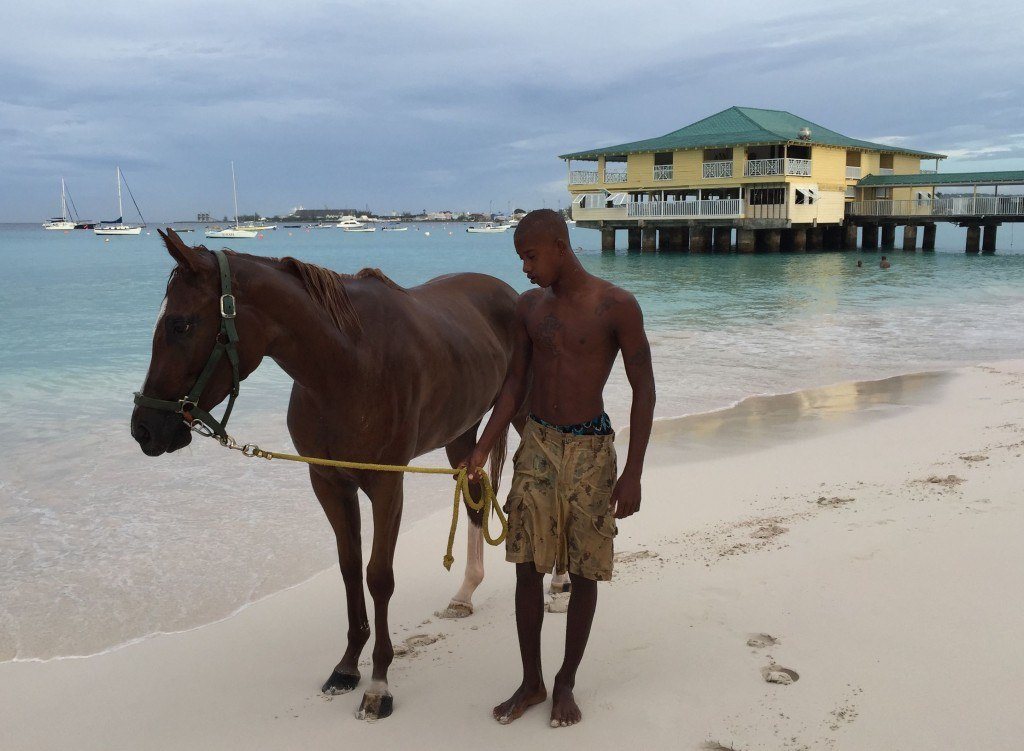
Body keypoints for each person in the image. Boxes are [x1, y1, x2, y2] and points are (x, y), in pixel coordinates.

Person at [464, 209, 656, 728]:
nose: (524, 268)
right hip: (539, 445)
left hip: (593, 451)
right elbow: (513, 387)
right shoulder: (529, 309)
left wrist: (633, 472)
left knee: (586, 567)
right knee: (525, 563)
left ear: (559, 246)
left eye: (530, 256)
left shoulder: (616, 306)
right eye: (520, 258)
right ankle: (532, 681)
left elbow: (645, 391)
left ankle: (566, 680)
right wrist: (482, 448)